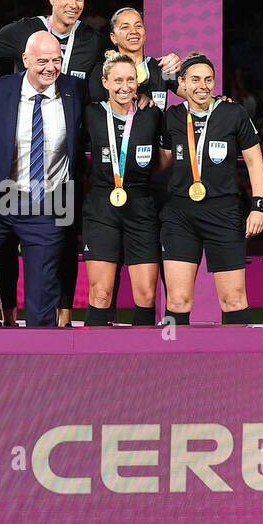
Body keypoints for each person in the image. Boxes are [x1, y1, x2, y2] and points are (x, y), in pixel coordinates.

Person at [0, 30, 83, 328]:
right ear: (25, 59)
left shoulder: (76, 91)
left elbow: (119, 90)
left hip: (48, 205)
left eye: (56, 60)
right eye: (42, 60)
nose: (50, 67)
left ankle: (37, 363)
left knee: (41, 300)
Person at [158, 54, 263, 325]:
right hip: (180, 216)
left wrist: (258, 206)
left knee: (233, 299)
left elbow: (255, 161)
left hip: (223, 213)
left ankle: (242, 364)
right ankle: (175, 362)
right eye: (195, 79)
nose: (202, 86)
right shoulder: (171, 117)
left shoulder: (233, 113)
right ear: (181, 83)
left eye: (208, 80)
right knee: (177, 301)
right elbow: (161, 163)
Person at [82, 53, 162, 326]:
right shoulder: (90, 113)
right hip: (101, 206)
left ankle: (146, 363)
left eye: (130, 80)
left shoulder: (151, 114)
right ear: (105, 82)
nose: (124, 86)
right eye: (117, 80)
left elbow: (164, 159)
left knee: (146, 294)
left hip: (141, 206)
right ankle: (93, 361)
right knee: (101, 293)